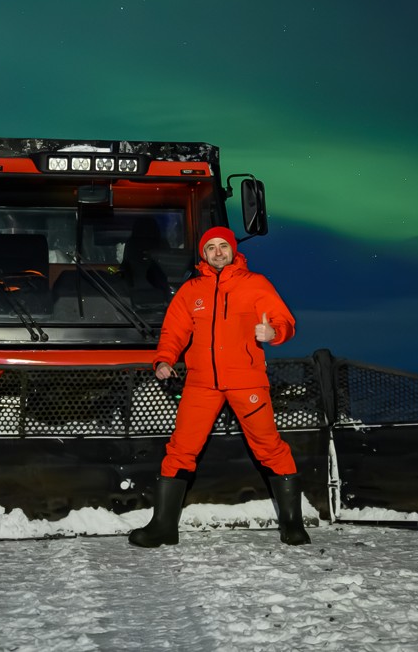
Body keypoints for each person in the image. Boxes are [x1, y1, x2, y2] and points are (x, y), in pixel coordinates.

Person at [129, 226, 310, 547]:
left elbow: (285, 322)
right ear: (203, 253)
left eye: (222, 245)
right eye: (210, 247)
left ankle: (293, 524)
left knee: (269, 448)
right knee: (180, 451)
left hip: (247, 381)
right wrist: (164, 360)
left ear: (232, 249)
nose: (217, 251)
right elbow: (174, 332)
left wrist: (274, 334)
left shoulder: (256, 284)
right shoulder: (191, 290)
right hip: (201, 384)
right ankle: (163, 526)